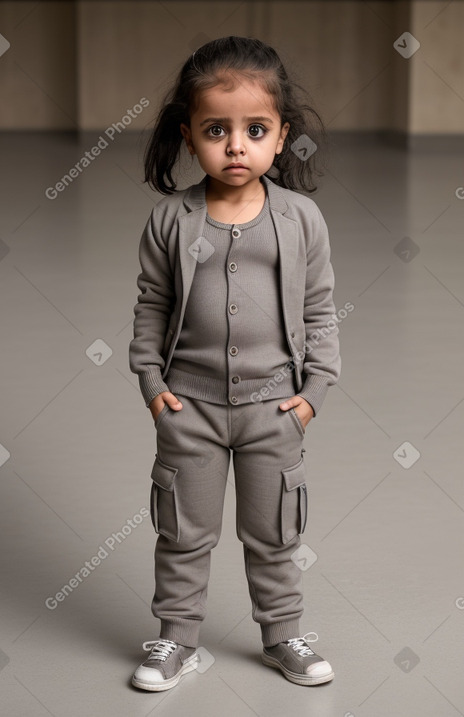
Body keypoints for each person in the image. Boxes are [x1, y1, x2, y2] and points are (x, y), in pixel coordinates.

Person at [128, 35, 341, 692]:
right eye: (216, 129)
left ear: (282, 138)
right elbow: (151, 306)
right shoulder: (171, 220)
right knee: (182, 532)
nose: (236, 145)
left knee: (274, 531)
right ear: (189, 137)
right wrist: (153, 384)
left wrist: (313, 393)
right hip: (188, 407)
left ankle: (284, 634)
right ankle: (175, 638)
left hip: (273, 408)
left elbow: (321, 310)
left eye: (255, 129)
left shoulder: (301, 219)